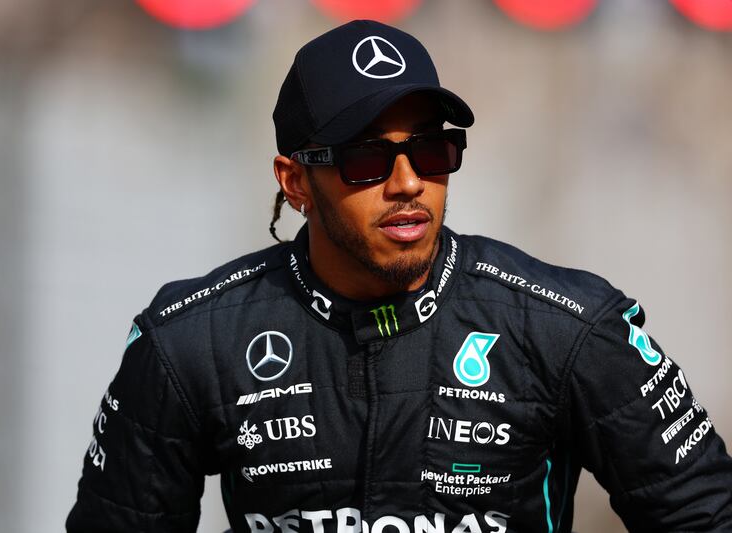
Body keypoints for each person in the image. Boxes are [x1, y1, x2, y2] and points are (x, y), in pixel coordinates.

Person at [66, 19, 732, 533]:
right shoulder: (189, 342)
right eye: (366, 159)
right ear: (295, 180)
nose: (408, 182)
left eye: (431, 149)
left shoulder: (569, 326)